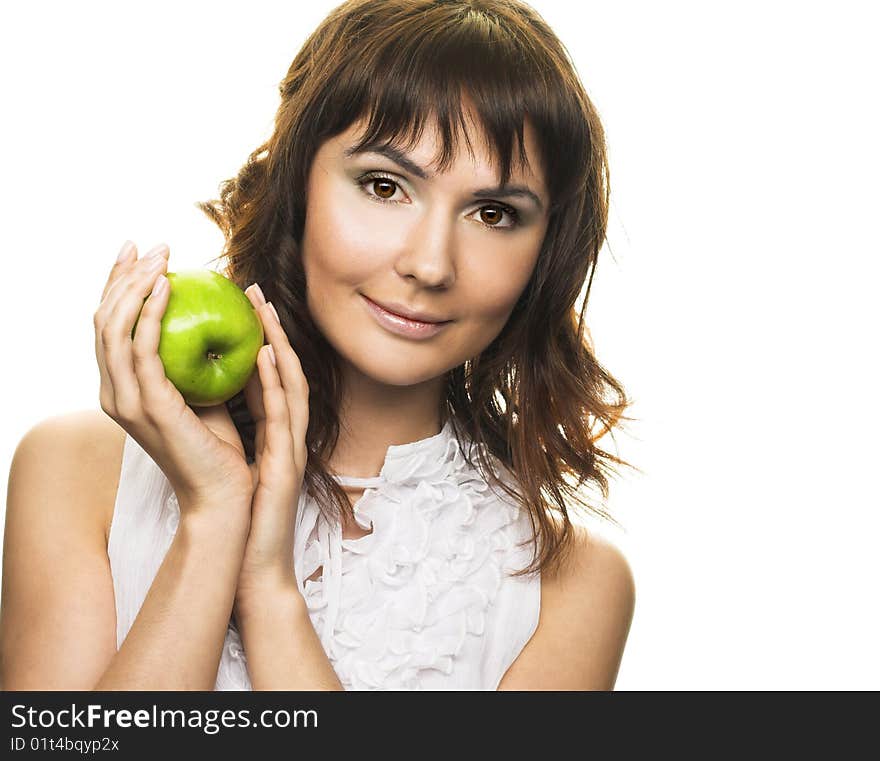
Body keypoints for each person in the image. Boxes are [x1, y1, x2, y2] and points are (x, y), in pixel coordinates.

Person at [0, 0, 636, 690]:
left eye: (493, 213)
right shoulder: (76, 472)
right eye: (384, 185)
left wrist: (270, 590)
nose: (430, 264)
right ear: (297, 185)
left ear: (545, 254)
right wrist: (213, 521)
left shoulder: (569, 586)